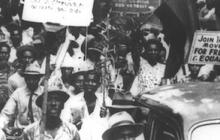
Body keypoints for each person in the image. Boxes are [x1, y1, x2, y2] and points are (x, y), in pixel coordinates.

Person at [0, 64, 44, 132]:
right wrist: (1, 126)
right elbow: (6, 113)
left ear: (39, 79)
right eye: (29, 78)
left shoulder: (44, 93)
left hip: (39, 132)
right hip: (21, 132)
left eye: (34, 78)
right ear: (25, 78)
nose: (31, 81)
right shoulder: (18, 93)